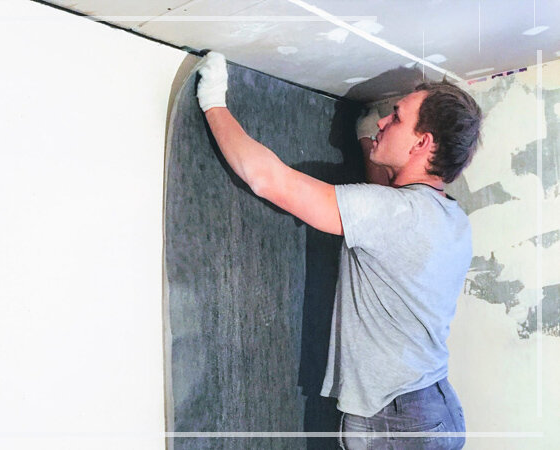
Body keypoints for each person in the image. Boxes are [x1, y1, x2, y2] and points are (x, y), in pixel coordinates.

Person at [196, 51, 482, 449]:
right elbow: (383, 210)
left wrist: (213, 102)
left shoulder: (395, 214)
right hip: (427, 409)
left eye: (396, 118)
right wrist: (368, 141)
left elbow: (268, 179)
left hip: (396, 420)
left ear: (422, 142)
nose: (383, 121)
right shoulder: (450, 217)